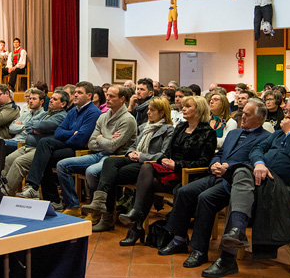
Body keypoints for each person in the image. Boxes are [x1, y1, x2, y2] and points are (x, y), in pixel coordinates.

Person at [205, 94, 290, 278]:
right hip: (262, 180)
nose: (287, 117)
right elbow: (256, 150)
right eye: (287, 112)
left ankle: (229, 254)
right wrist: (260, 163)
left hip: (285, 189)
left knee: (240, 181)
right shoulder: (277, 134)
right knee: (243, 175)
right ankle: (236, 233)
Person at [158, 99, 272, 267]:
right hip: (216, 174)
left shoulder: (266, 138)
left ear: (260, 119)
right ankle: (179, 238)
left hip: (236, 181)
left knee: (205, 198)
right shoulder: (234, 133)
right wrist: (215, 164)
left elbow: (255, 162)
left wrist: (229, 167)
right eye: (243, 114)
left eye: (247, 115)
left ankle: (200, 250)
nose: (243, 117)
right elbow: (220, 153)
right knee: (184, 191)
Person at [117, 95, 216, 246]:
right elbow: (167, 152)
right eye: (184, 106)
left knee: (146, 183)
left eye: (188, 106)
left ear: (199, 110)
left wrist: (176, 165)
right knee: (146, 167)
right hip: (169, 171)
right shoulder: (181, 127)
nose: (183, 108)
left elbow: (204, 162)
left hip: (188, 175)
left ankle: (136, 227)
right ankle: (136, 220)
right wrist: (164, 160)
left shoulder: (207, 132)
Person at [84, 96, 174, 230]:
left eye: (152, 110)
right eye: (148, 109)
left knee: (109, 175)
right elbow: (133, 145)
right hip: (135, 157)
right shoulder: (144, 126)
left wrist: (141, 156)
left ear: (162, 113)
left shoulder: (168, 129)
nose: (148, 112)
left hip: (148, 164)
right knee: (110, 162)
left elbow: (164, 154)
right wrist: (131, 152)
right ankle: (99, 202)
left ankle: (106, 216)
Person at [54, 84, 137, 213]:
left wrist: (101, 138)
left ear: (122, 99)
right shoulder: (103, 116)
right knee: (62, 165)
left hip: (115, 159)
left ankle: (96, 209)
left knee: (91, 171)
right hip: (98, 154)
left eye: (111, 96)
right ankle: (73, 205)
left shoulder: (128, 120)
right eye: (107, 95)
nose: (107, 98)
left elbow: (112, 147)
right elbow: (91, 143)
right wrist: (107, 139)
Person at [17, 82, 102, 202]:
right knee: (44, 151)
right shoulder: (73, 111)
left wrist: (69, 135)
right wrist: (72, 133)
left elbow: (80, 139)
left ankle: (37, 189)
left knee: (44, 149)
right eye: (75, 92)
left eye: (79, 93)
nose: (75, 95)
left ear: (89, 96)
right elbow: (58, 132)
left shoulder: (93, 112)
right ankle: (46, 196)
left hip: (79, 150)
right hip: (69, 144)